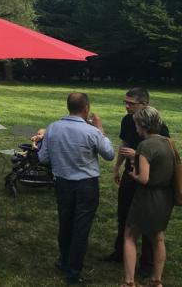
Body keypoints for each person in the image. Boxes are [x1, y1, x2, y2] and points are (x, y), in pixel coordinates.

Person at [38, 92, 114, 285]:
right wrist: (100, 129)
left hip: (62, 182)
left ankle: (64, 260)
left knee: (65, 221)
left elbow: (43, 158)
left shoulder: (53, 127)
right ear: (86, 109)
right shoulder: (91, 132)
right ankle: (73, 271)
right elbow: (109, 154)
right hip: (86, 184)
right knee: (81, 227)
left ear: (68, 107)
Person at [107, 88, 170, 271]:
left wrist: (138, 154)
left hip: (148, 179)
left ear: (144, 104)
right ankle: (120, 252)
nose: (126, 106)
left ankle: (147, 263)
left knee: (148, 220)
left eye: (130, 103)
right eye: (125, 102)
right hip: (130, 174)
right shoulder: (127, 121)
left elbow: (162, 153)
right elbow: (124, 144)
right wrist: (117, 167)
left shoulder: (158, 126)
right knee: (124, 214)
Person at [121, 107, 176, 287]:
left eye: (136, 123)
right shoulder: (169, 143)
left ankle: (129, 281)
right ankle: (156, 280)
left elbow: (143, 178)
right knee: (158, 238)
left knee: (130, 235)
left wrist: (132, 173)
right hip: (165, 197)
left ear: (142, 125)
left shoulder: (145, 146)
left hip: (146, 197)